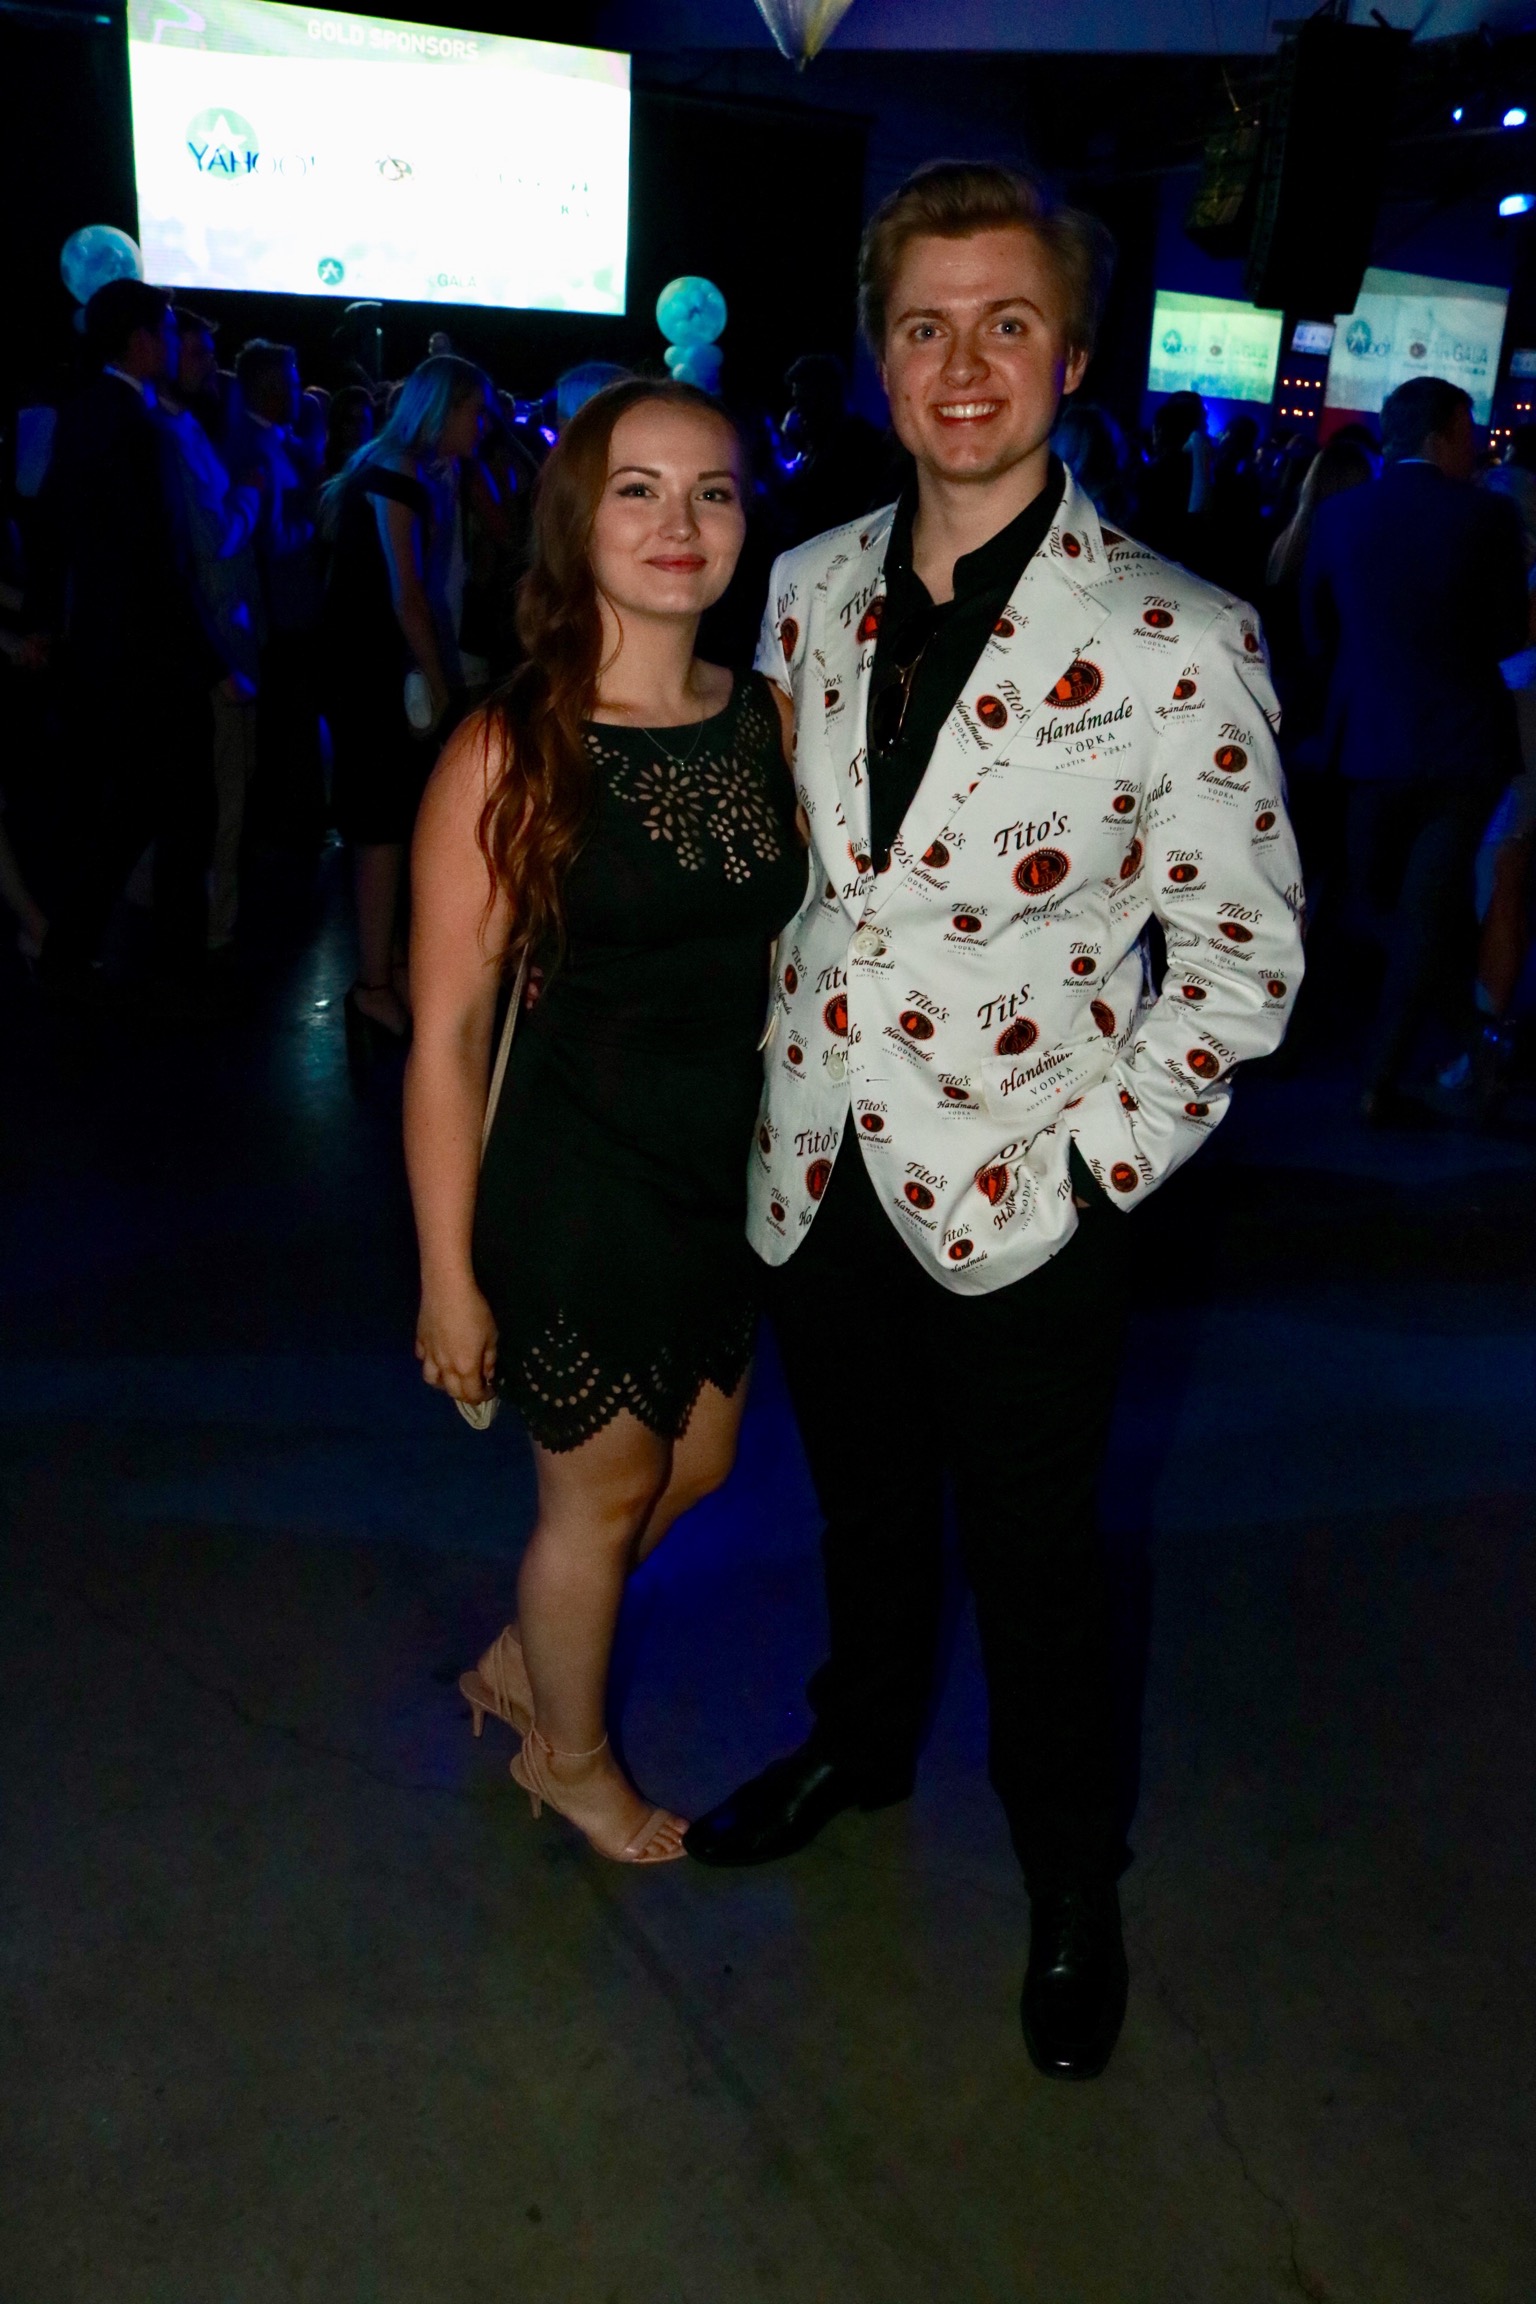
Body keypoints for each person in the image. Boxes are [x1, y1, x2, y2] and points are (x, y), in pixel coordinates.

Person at [681, 162, 1305, 2083]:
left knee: (1038, 1562)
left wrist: (1091, 1163)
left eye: (1006, 325)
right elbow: (790, 881)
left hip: (1030, 1190)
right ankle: (862, 1743)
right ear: (881, 358)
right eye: (926, 326)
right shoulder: (801, 587)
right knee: (864, 1509)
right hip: (817, 1166)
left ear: (1074, 355)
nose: (964, 366)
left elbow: (1241, 964)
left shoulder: (1178, 632)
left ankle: (1067, 1875)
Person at [404, 379, 805, 1862]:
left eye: (712, 491)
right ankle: (569, 1761)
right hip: (575, 1176)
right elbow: (446, 1036)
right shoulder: (512, 747)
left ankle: (531, 1654)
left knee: (697, 1468)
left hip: (719, 1169)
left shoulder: (763, 716)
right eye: (639, 489)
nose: (680, 522)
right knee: (602, 1492)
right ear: (580, 523)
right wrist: (448, 1278)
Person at [1303, 375, 1529, 1123]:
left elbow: (1317, 632)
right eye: (1470, 432)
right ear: (1444, 434)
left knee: (1377, 902)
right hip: (1464, 743)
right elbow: (1507, 636)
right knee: (1425, 910)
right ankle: (1458, 1052)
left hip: (1370, 740)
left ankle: (1395, 1073)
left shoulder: (1340, 515)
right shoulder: (1486, 515)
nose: (1477, 446)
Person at [30, 277, 222, 995]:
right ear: (141, 340)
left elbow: (50, 529)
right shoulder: (136, 426)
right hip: (153, 655)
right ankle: (176, 971)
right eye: (168, 332)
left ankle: (75, 950)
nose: (174, 344)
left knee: (131, 809)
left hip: (107, 648)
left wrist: (47, 622)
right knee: (183, 814)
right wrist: (209, 657)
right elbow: (156, 558)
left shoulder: (82, 413)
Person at [319, 354, 489, 1053]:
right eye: (473, 411)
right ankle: (372, 985)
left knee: (384, 824)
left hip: (363, 670)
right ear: (442, 409)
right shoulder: (398, 475)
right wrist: (445, 689)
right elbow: (407, 596)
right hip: (374, 676)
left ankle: (383, 972)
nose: (480, 425)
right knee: (383, 829)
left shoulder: (388, 466)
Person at [157, 313, 266, 952]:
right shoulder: (166, 433)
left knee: (229, 786)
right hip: (212, 643)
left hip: (225, 636)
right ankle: (212, 933)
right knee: (224, 793)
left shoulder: (188, 425)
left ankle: (201, 922)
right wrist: (251, 494)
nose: (207, 364)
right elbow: (216, 537)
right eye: (194, 351)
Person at [228, 340, 325, 846]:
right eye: (291, 381)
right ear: (269, 387)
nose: (298, 391)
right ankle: (288, 829)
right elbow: (271, 540)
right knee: (287, 724)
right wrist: (315, 522)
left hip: (291, 609)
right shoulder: (253, 447)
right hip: (282, 612)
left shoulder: (274, 440)